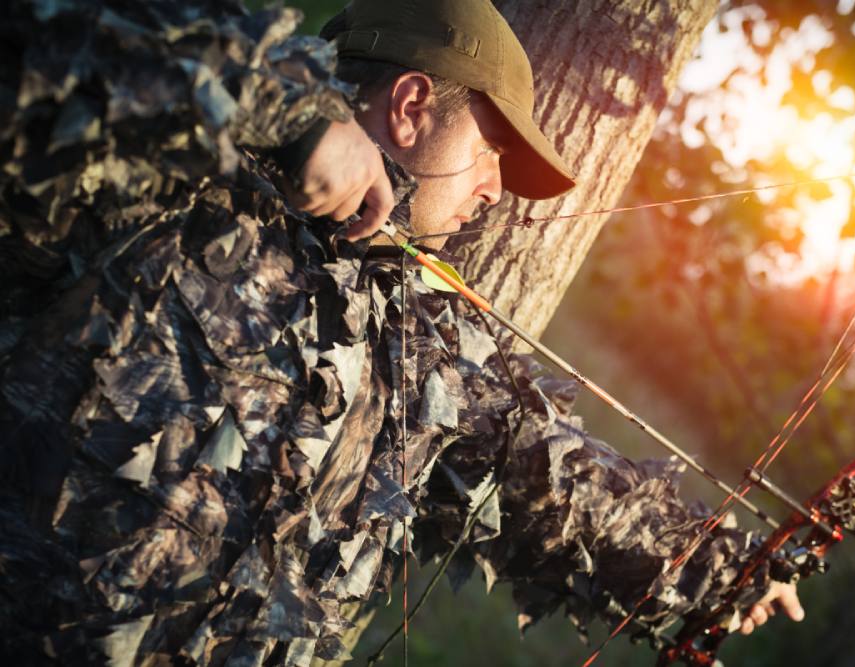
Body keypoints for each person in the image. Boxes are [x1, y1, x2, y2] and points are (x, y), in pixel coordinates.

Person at [0, 0, 799, 664]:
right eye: (492, 153)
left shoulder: (420, 346)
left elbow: (552, 483)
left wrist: (729, 570)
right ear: (413, 107)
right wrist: (289, 113)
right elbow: (55, 42)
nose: (497, 193)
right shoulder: (178, 189)